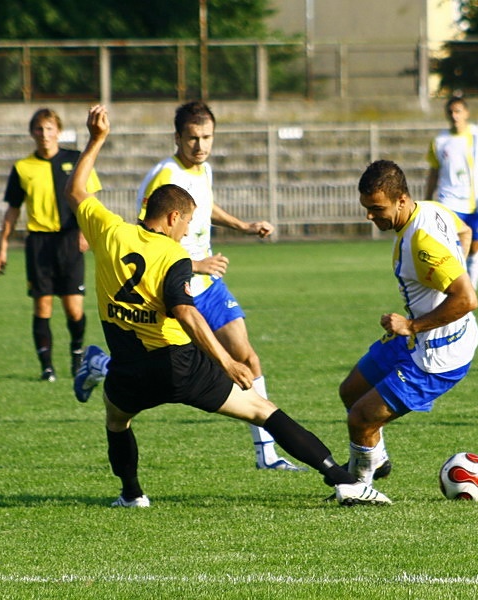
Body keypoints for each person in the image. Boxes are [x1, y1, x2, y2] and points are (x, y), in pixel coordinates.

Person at [66, 105, 389, 508]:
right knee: (261, 409)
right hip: (178, 366)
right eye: (185, 224)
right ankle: (345, 482)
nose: (187, 232)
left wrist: (96, 139)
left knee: (116, 420)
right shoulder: (174, 256)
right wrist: (225, 362)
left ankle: (132, 494)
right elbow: (185, 312)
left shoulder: (109, 231)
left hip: (129, 368)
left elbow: (77, 190)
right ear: (171, 218)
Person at [76, 101, 298, 472]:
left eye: (207, 137)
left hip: (207, 285)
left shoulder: (203, 169)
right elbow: (145, 239)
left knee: (247, 357)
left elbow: (205, 206)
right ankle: (102, 363)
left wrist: (242, 226)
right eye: (193, 138)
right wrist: (195, 263)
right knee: (162, 363)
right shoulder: (164, 176)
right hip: (172, 288)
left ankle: (267, 455)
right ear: (177, 137)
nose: (200, 146)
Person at [337, 159, 478, 490]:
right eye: (367, 208)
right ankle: (377, 459)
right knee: (351, 391)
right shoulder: (431, 208)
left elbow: (467, 299)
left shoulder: (422, 243)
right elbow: (464, 231)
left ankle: (358, 488)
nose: (370, 216)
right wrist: (452, 269)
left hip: (437, 357)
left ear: (401, 200)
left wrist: (413, 324)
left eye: (376, 209)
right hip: (416, 340)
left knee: (360, 418)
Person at [0, 108, 101, 382]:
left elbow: (91, 198)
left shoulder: (75, 160)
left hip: (70, 239)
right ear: (32, 133)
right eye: (39, 130)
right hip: (39, 244)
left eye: (49, 129)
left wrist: (87, 231)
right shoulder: (23, 167)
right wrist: (3, 246)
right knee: (42, 307)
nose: (44, 135)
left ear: (59, 131)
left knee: (74, 308)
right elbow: (13, 210)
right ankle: (47, 367)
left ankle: (77, 354)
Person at [424, 95, 478, 289]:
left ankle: (470, 290)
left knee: (474, 247)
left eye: (458, 111)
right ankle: (456, 290)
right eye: (450, 112)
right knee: (452, 247)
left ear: (466, 113)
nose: (454, 115)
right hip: (449, 201)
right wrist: (427, 200)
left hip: (476, 201)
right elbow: (433, 172)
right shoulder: (440, 141)